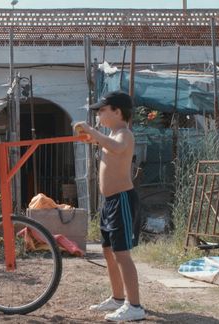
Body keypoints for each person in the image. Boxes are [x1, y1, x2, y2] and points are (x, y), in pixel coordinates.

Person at [73, 91, 145, 322]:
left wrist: (93, 132)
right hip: (109, 202)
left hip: (122, 199)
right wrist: (90, 135)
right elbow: (106, 143)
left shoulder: (125, 134)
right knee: (108, 252)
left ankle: (134, 306)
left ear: (117, 111)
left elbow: (115, 147)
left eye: (102, 110)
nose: (99, 114)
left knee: (122, 254)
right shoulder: (112, 134)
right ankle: (117, 298)